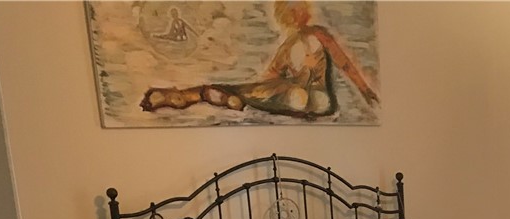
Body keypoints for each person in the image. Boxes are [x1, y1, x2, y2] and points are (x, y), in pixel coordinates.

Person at [140, 1, 378, 119]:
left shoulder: (316, 35)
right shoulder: (289, 47)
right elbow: (271, 77)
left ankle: (210, 94)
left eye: (298, 8)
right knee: (287, 94)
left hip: (314, 99)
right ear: (289, 14)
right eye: (293, 9)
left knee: (288, 94)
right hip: (306, 99)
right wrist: (365, 90)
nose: (298, 13)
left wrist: (365, 89)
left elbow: (344, 62)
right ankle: (197, 96)